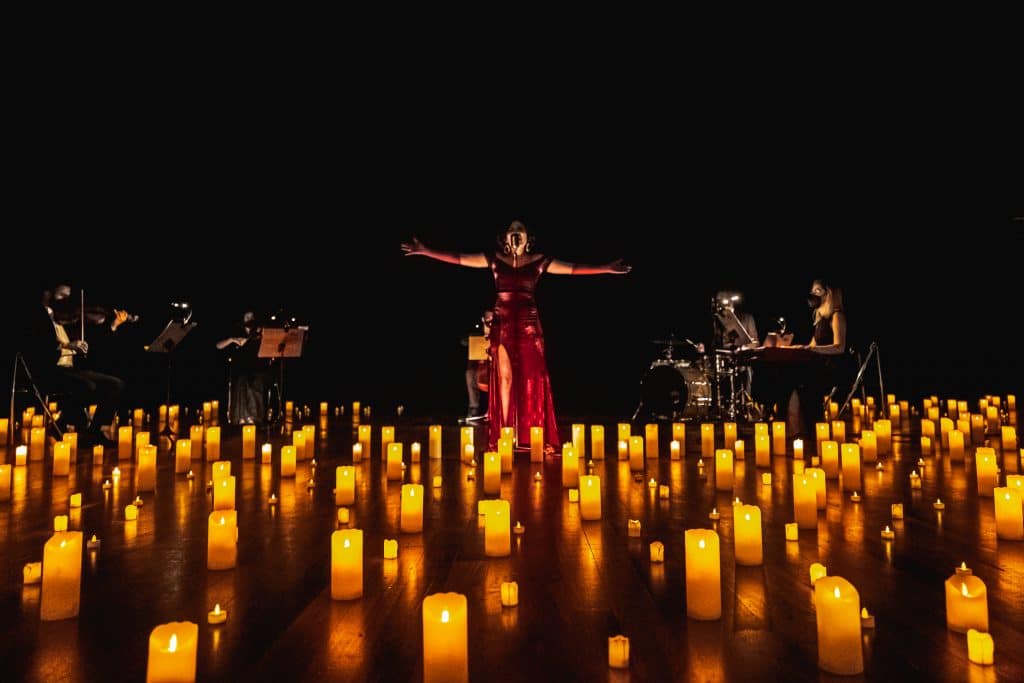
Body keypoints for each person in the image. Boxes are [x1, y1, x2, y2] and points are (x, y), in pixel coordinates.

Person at [402, 220, 630, 453]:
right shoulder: (494, 260)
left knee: (534, 379)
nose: (515, 233)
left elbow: (573, 268)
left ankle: (534, 436)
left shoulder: (539, 261)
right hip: (503, 324)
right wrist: (426, 251)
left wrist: (605, 268)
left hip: (530, 327)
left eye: (520, 230)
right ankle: (506, 434)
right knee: (505, 379)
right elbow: (459, 258)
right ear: (505, 237)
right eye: (512, 230)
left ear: (527, 238)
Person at [23, 284, 126, 446]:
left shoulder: (67, 319)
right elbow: (37, 346)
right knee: (87, 386)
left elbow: (95, 343)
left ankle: (93, 431)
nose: (66, 301)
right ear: (48, 294)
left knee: (116, 384)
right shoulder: (37, 317)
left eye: (68, 296)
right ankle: (64, 422)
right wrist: (66, 346)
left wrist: (113, 326)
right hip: (50, 369)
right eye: (61, 296)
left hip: (72, 369)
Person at [776, 279, 850, 449]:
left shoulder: (836, 315)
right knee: (787, 375)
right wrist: (796, 349)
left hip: (831, 367)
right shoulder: (819, 318)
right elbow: (812, 346)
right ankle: (796, 430)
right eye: (813, 291)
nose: (813, 295)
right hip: (816, 365)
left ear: (829, 293)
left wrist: (812, 350)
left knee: (794, 378)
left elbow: (840, 347)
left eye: (818, 291)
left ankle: (798, 430)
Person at [216, 310, 268, 425]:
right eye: (247, 317)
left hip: (257, 369)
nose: (250, 319)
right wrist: (232, 339)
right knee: (241, 382)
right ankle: (241, 418)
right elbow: (218, 346)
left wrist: (255, 336)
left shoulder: (259, 331)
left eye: (252, 317)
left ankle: (255, 418)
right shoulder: (238, 331)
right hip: (241, 370)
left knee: (255, 383)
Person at [460, 309, 493, 422]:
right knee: (469, 373)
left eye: (491, 318)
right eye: (487, 318)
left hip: (494, 368)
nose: (489, 320)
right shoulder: (477, 331)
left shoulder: (499, 332)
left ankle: (495, 409)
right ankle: (474, 407)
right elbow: (463, 341)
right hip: (480, 369)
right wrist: (473, 340)